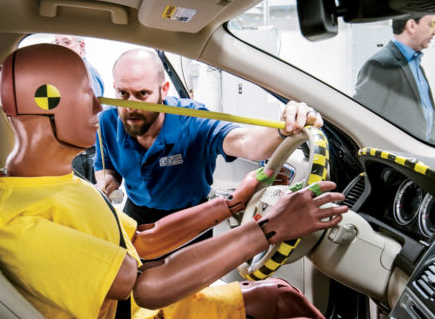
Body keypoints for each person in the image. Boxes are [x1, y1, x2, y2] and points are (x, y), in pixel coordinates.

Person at [0, 43, 360, 319]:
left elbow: (144, 242)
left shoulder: (61, 182)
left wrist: (234, 202)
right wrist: (268, 228)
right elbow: (145, 285)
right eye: (90, 96)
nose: (103, 108)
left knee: (280, 295)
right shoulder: (19, 221)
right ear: (45, 104)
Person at [93, 48, 322, 231]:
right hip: (137, 214)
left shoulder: (193, 120)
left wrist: (284, 128)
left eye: (142, 94)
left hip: (192, 217)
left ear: (163, 90)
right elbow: (106, 167)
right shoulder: (107, 122)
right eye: (123, 94)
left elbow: (245, 142)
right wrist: (107, 182)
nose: (131, 106)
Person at [354, 15, 435, 142]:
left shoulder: (417, 67)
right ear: (411, 26)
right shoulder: (381, 64)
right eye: (431, 24)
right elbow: (363, 122)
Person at [54, 34, 105, 182]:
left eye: (66, 42)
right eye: (57, 43)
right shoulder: (68, 73)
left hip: (84, 154)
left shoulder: (85, 73)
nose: (60, 47)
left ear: (81, 46)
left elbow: (89, 114)